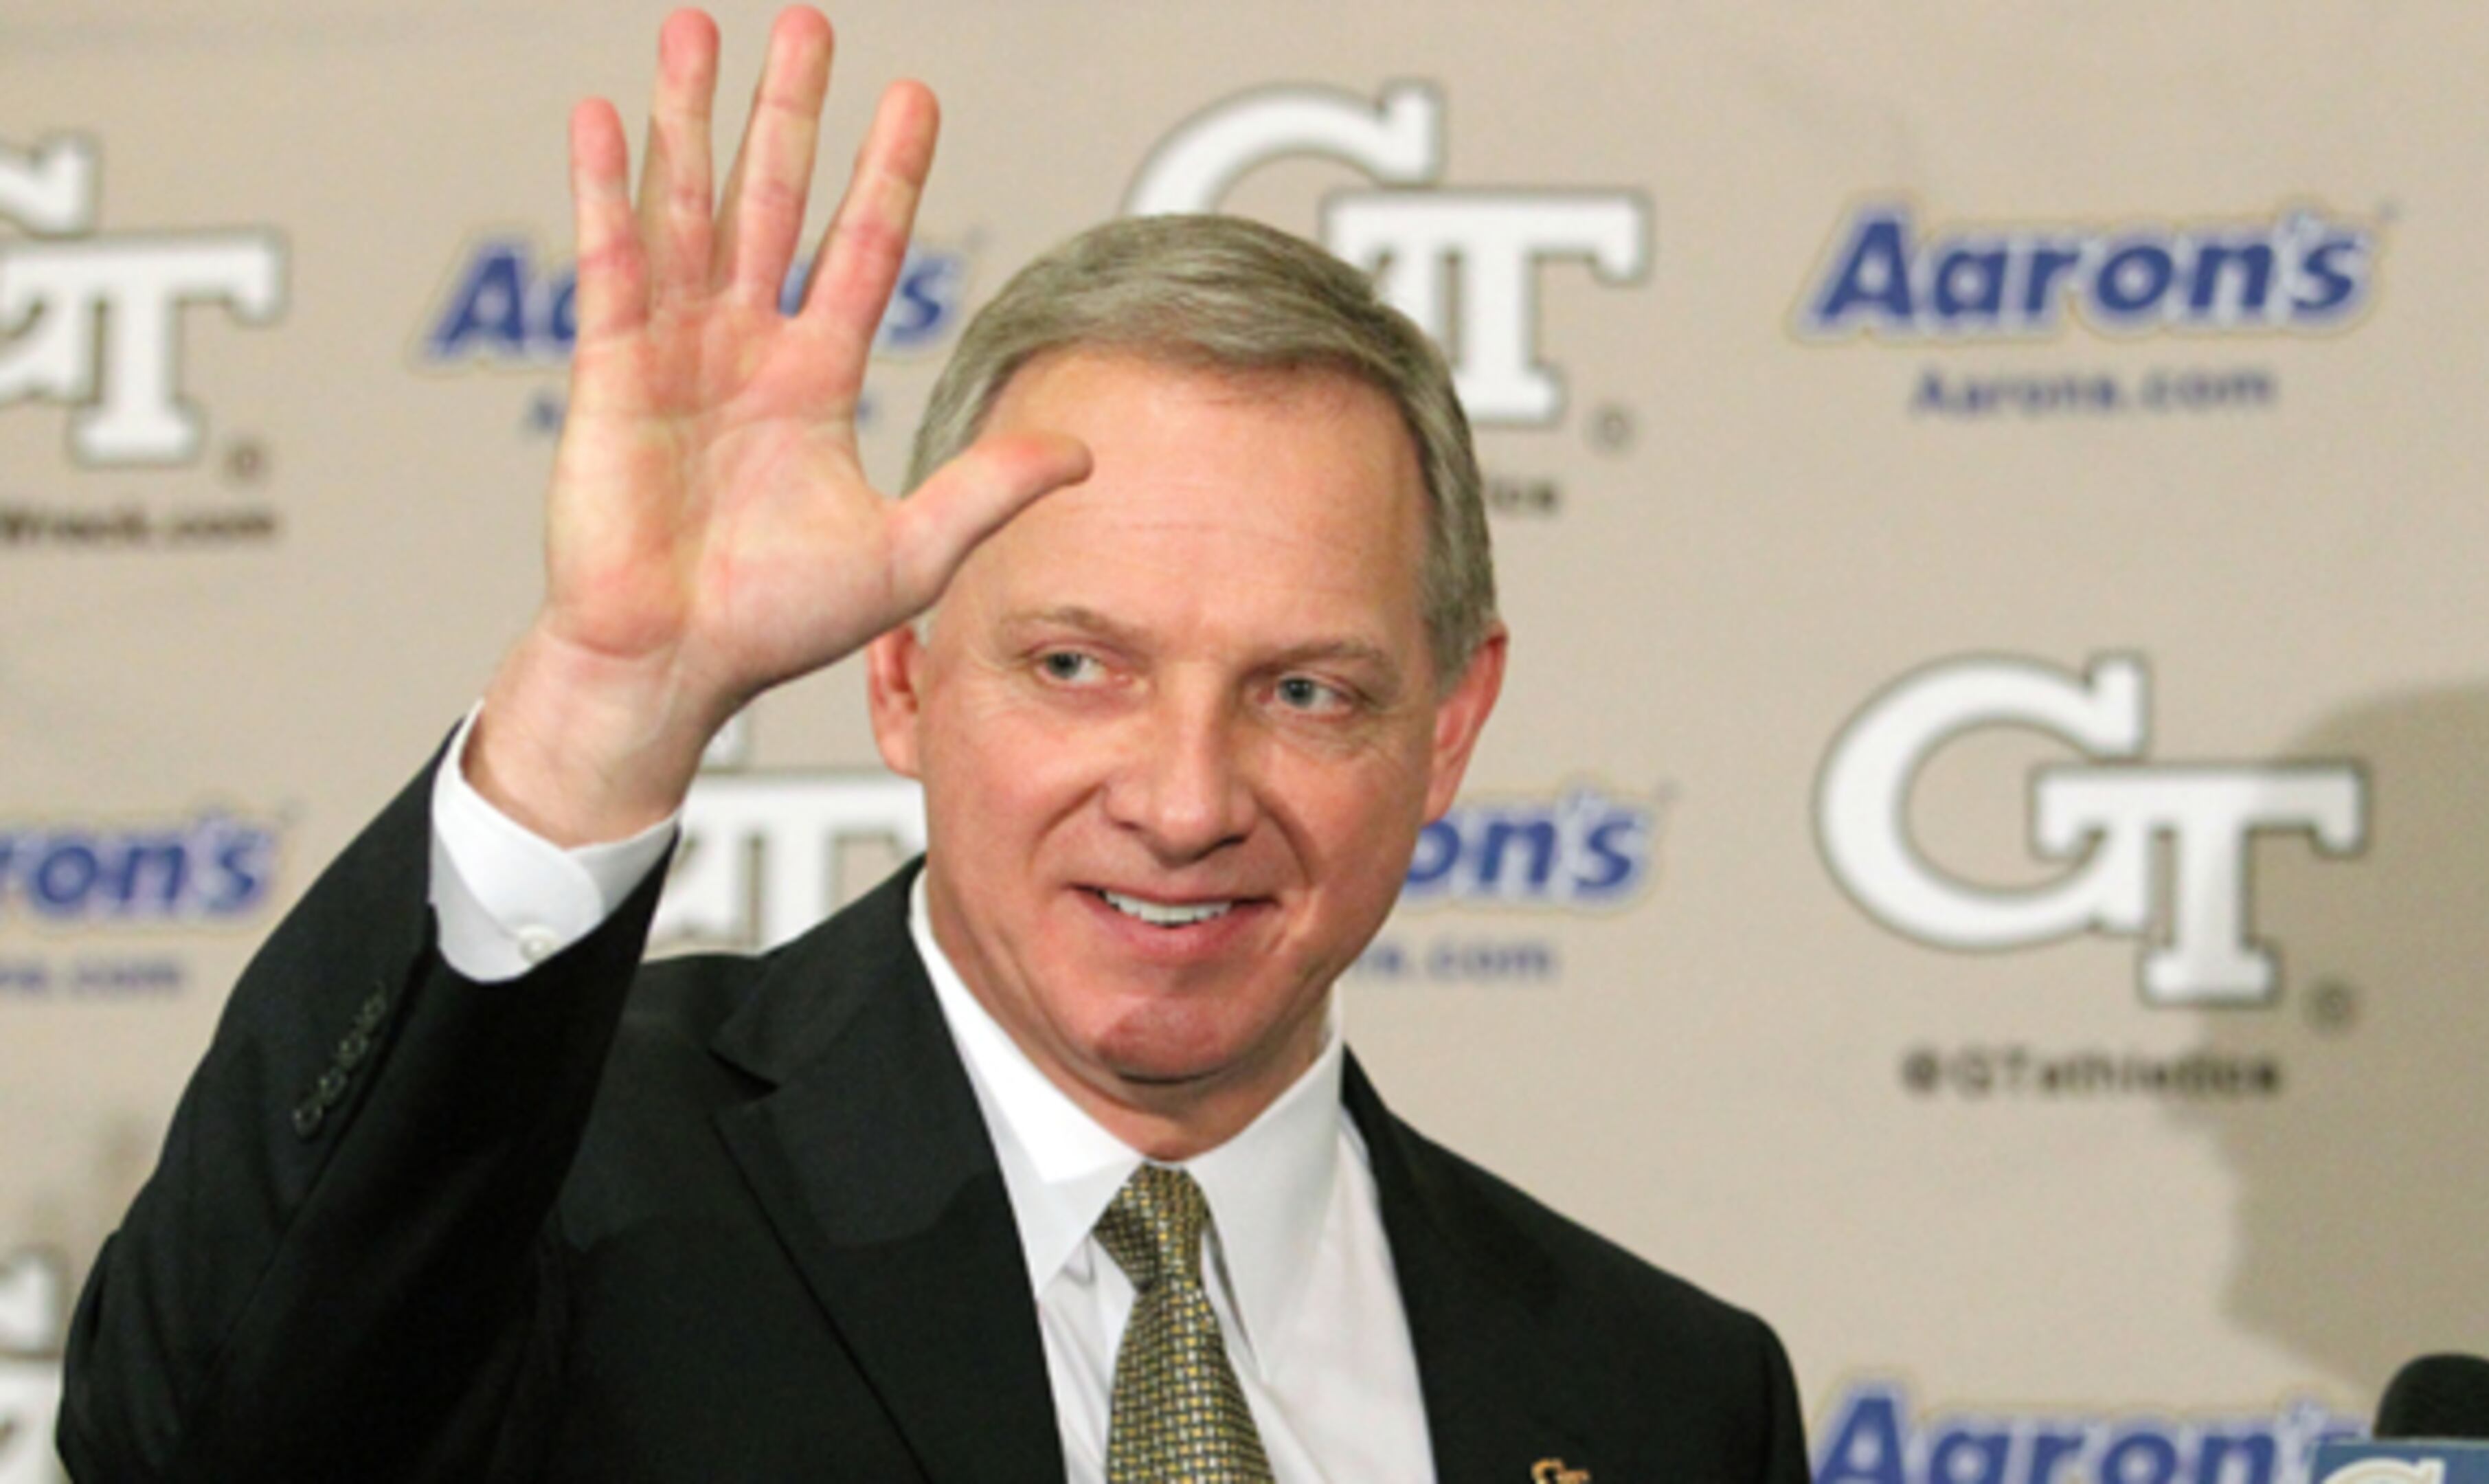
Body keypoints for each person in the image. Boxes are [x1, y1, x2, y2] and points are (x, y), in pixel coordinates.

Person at [56, 8, 1805, 1481]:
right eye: (1077, 666)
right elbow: (199, 1441)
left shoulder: (1665, 1398)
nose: (1185, 802)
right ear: (901, 679)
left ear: (1452, 727)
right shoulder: (564, 1192)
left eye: (1305, 694)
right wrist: (599, 709)